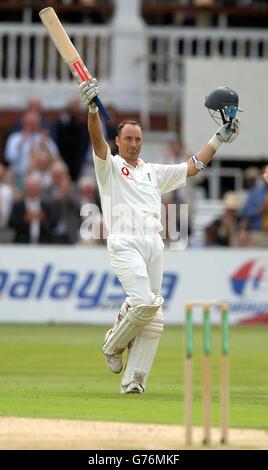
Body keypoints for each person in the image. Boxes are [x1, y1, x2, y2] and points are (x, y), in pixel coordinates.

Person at [79, 78, 240, 394]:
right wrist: (92, 110)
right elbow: (96, 139)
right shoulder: (108, 167)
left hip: (154, 242)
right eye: (128, 138)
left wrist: (218, 138)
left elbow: (192, 167)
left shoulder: (153, 172)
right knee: (143, 302)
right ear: (119, 141)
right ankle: (112, 345)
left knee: (154, 318)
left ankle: (134, 380)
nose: (134, 143)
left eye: (138, 139)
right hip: (124, 239)